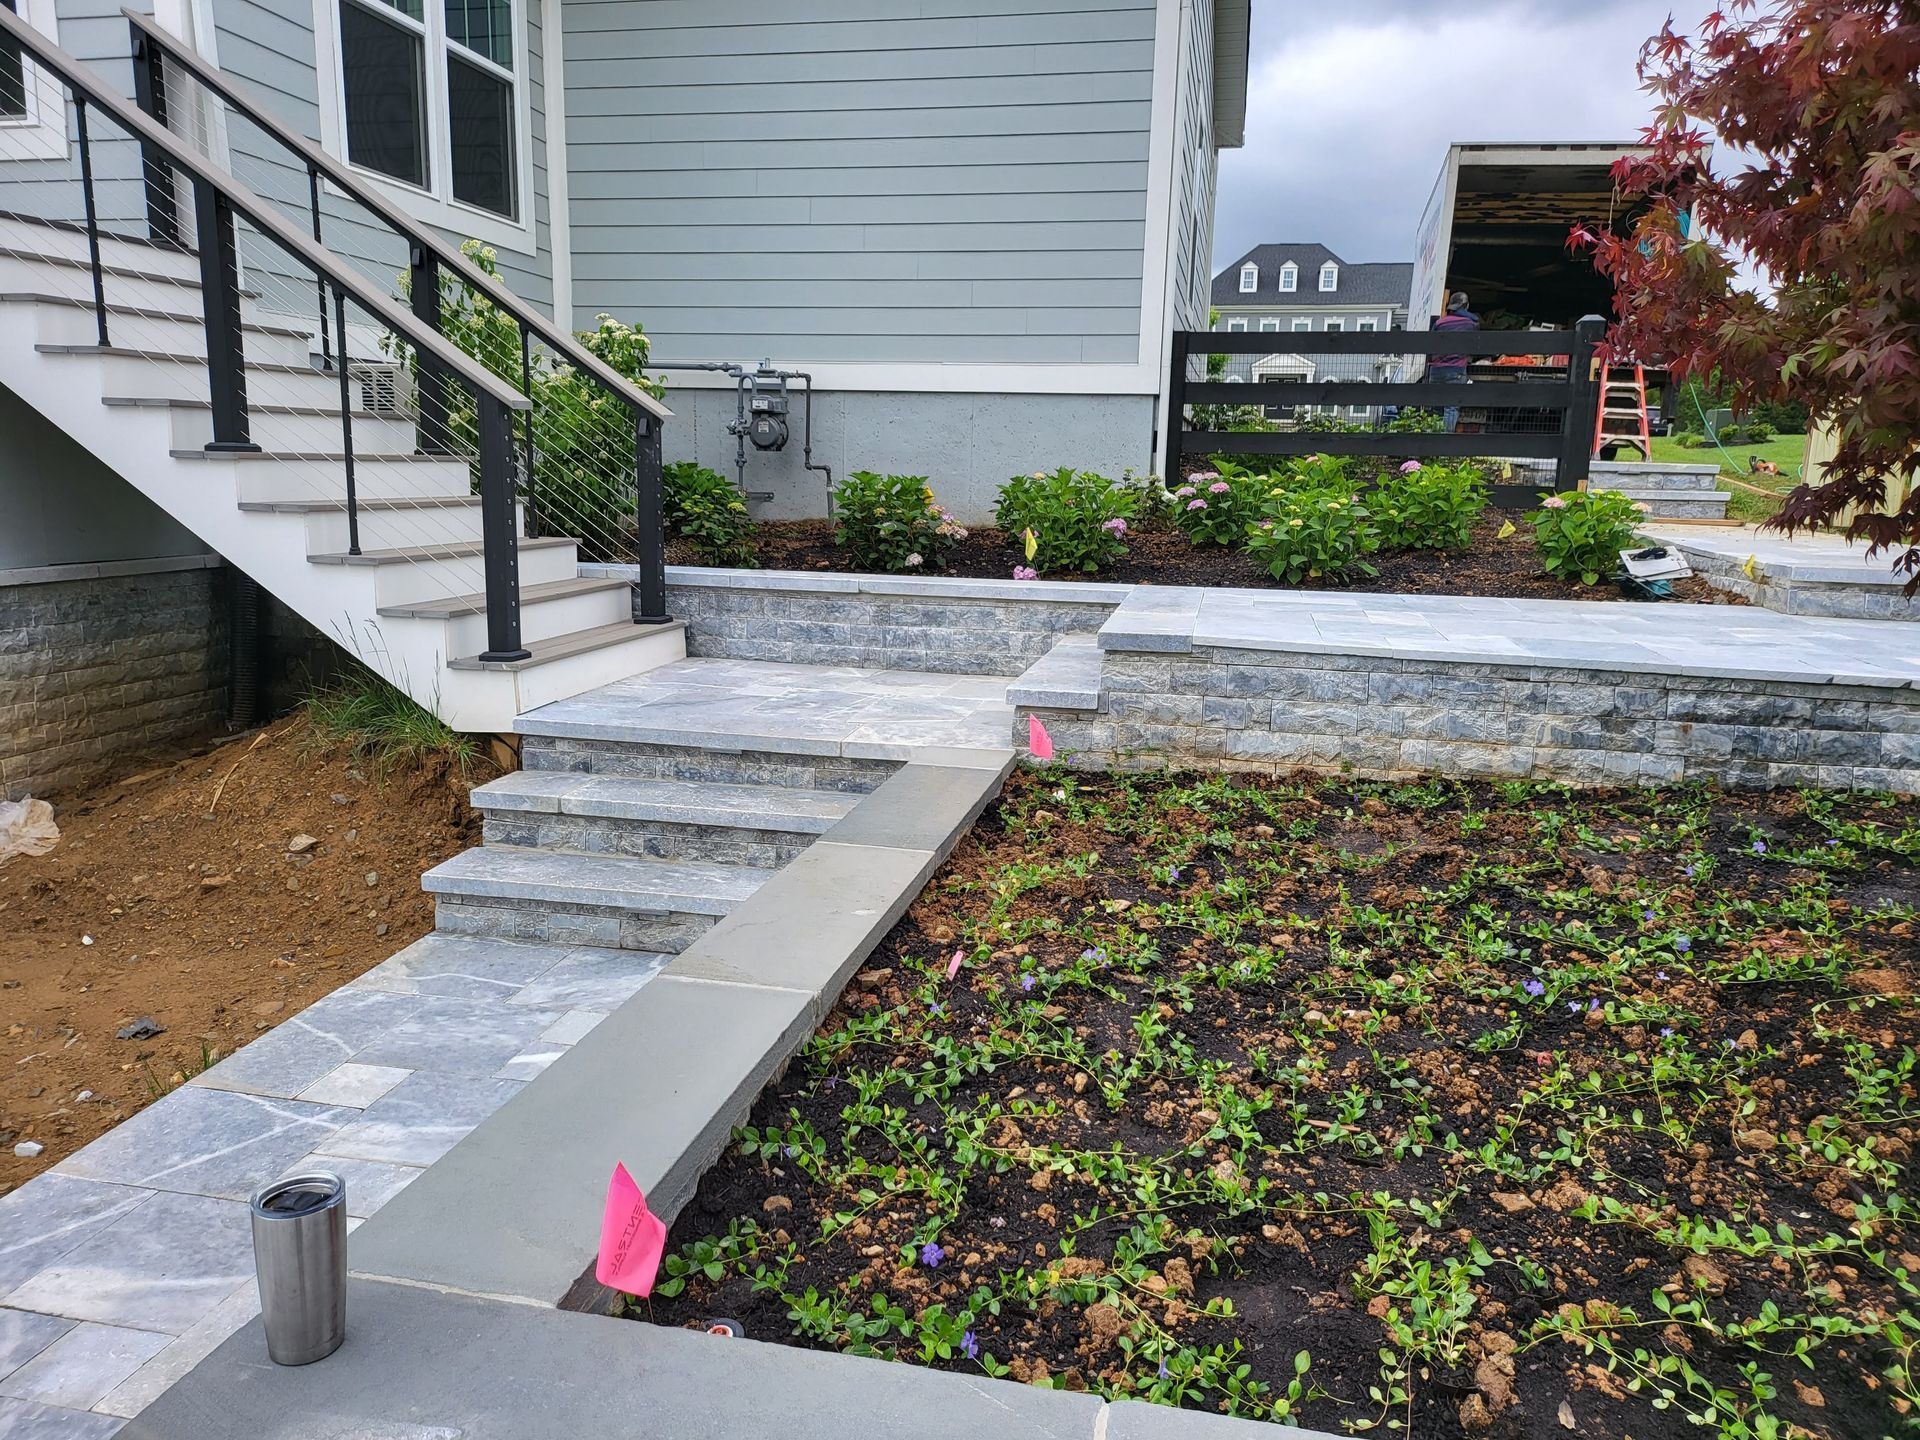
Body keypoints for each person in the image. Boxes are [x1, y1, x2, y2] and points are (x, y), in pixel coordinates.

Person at [1429, 291, 1479, 432]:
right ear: (1465, 305)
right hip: (1455, 369)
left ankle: (1433, 445)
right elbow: (1475, 346)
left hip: (1436, 371)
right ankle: (1444, 446)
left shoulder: (1439, 323)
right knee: (1451, 407)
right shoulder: (1470, 324)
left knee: (1437, 409)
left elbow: (1430, 345)